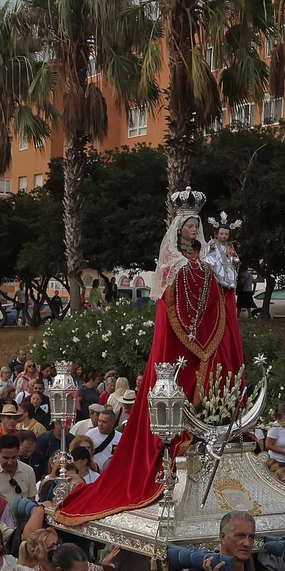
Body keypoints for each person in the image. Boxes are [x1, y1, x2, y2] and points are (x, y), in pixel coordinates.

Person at [52, 204, 242, 527]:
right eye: (191, 226)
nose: (196, 231)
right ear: (179, 228)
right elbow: (173, 292)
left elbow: (217, 283)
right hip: (178, 340)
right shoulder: (173, 261)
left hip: (201, 335)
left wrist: (221, 265)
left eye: (198, 226)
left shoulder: (203, 259)